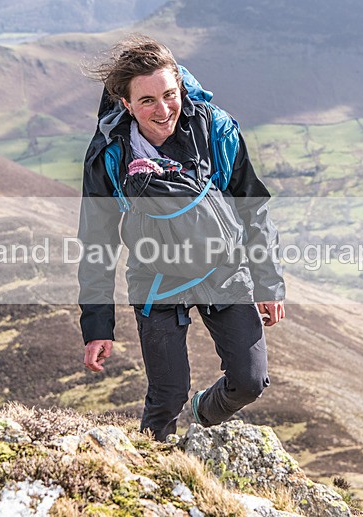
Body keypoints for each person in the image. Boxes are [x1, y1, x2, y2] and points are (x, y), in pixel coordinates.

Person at [77, 35, 285, 441]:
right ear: (126, 104)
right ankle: (153, 469)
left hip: (222, 270)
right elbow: (97, 242)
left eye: (169, 95)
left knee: (249, 381)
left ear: (180, 88)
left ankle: (203, 415)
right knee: (167, 396)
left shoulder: (215, 129)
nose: (163, 110)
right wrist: (97, 326)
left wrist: (269, 283)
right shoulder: (110, 154)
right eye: (147, 100)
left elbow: (252, 208)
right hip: (157, 280)